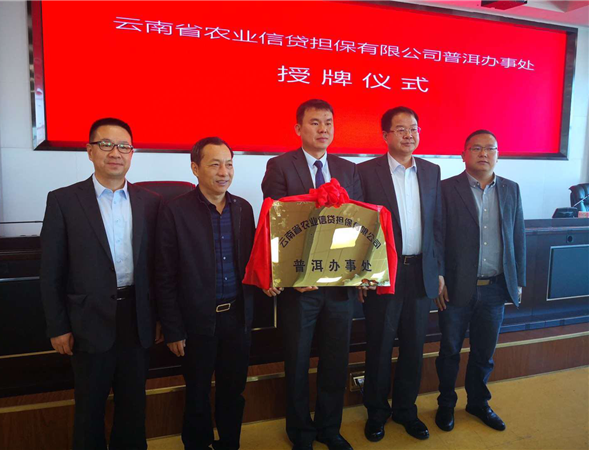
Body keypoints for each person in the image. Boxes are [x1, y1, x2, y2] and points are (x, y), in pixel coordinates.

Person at [41, 117, 162, 450]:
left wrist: (159, 318)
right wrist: (58, 326)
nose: (115, 152)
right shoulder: (64, 201)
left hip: (136, 318)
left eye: (124, 146)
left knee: (133, 407)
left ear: (132, 153)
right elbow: (51, 270)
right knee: (89, 409)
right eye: (106, 144)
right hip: (87, 321)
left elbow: (158, 267)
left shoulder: (151, 202)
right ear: (90, 150)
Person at [261, 99, 363, 450]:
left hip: (339, 285)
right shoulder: (280, 166)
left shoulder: (348, 169)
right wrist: (291, 275)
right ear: (298, 128)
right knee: (298, 360)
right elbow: (275, 222)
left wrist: (355, 271)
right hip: (299, 288)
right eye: (315, 122)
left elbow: (356, 224)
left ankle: (329, 428)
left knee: (335, 360)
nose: (323, 129)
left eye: (328, 123)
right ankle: (301, 432)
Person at [156, 137, 256, 450]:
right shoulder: (175, 211)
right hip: (196, 321)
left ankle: (229, 444)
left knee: (233, 391)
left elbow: (254, 263)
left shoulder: (243, 208)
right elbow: (164, 275)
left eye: (229, 164)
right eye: (215, 164)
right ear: (195, 168)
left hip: (236, 318)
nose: (224, 172)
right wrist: (173, 328)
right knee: (197, 393)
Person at [357, 106, 443, 442]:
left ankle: (406, 410)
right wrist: (361, 273)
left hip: (421, 271)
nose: (410, 135)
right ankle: (376, 412)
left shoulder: (432, 171)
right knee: (379, 346)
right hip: (383, 274)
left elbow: (437, 224)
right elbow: (357, 225)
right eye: (402, 129)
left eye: (414, 128)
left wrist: (438, 270)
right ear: (386, 135)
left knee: (414, 346)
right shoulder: (365, 172)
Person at [434, 130, 526, 432]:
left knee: (484, 353)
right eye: (476, 148)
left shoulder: (511, 189)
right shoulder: (446, 189)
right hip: (456, 288)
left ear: (498, 155)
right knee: (449, 351)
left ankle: (478, 403)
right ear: (463, 155)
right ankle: (446, 404)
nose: (484, 153)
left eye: (490, 148)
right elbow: (437, 236)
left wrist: (518, 280)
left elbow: (517, 236)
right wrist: (439, 276)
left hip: (495, 287)